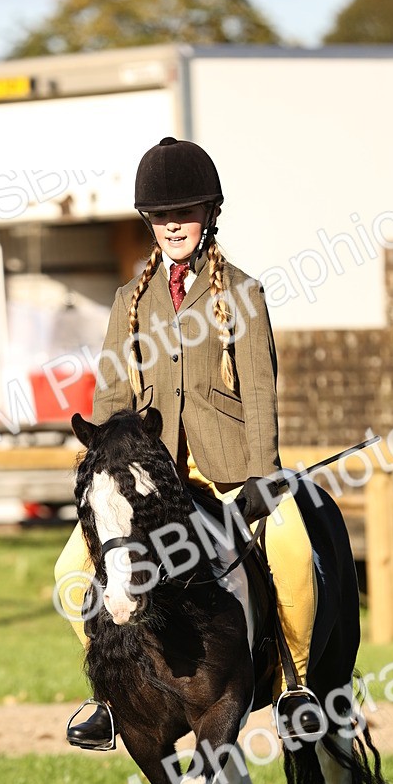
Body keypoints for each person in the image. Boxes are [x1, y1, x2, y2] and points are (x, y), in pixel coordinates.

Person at [55, 136, 321, 750]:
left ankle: (297, 687)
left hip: (224, 470)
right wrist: (106, 471)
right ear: (149, 222)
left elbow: (259, 393)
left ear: (209, 216)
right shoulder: (130, 302)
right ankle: (109, 696)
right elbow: (110, 399)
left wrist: (263, 476)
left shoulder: (242, 293)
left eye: (186, 213)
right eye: (163, 216)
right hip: (149, 482)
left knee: (291, 546)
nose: (174, 226)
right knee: (71, 570)